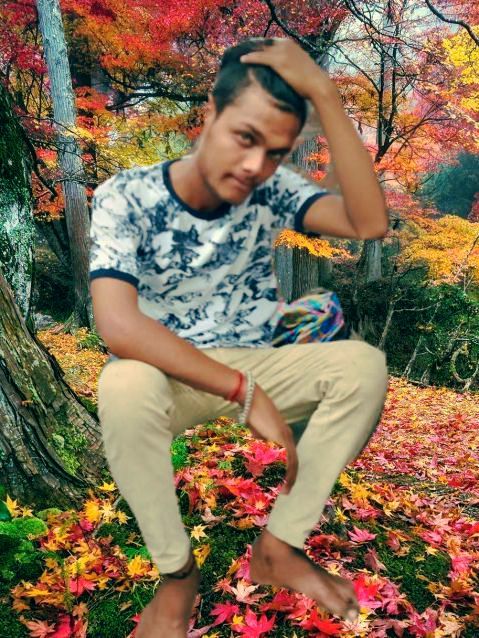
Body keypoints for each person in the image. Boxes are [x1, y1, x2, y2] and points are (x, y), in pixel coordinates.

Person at [89, 37, 389, 638]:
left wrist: (325, 94)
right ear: (211, 112)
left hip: (257, 356)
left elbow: (368, 221)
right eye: (244, 137)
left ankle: (279, 545)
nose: (255, 165)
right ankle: (177, 574)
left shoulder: (269, 193)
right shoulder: (128, 194)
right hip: (169, 371)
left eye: (274, 153)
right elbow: (117, 324)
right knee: (121, 385)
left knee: (363, 366)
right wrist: (241, 390)